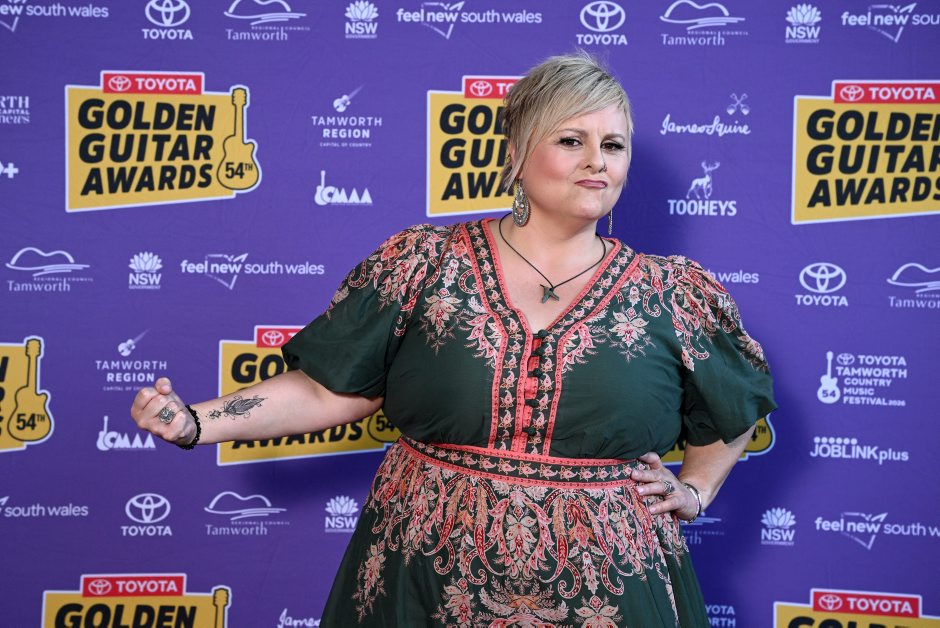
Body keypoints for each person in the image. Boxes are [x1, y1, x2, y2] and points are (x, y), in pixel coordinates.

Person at [131, 52, 776, 627]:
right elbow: (329, 391)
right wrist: (195, 422)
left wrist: (695, 490)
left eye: (614, 145)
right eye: (571, 140)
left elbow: (734, 405)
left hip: (609, 589)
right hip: (425, 579)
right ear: (516, 154)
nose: (596, 162)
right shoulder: (425, 264)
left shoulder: (672, 292)